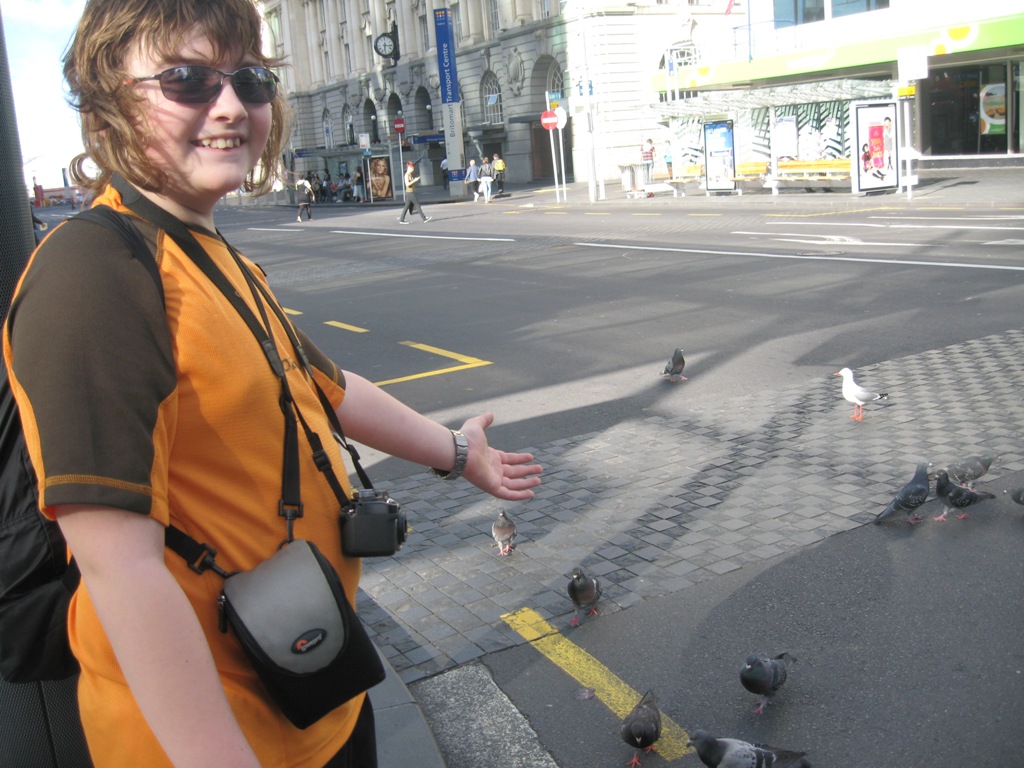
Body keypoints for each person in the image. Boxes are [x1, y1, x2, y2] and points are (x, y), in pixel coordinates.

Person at [3, 2, 542, 767]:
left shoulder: (211, 253)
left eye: (250, 80)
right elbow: (120, 569)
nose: (230, 106)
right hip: (221, 737)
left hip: (310, 692)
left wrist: (461, 452)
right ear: (109, 100)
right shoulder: (94, 271)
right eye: (187, 80)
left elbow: (328, 389)